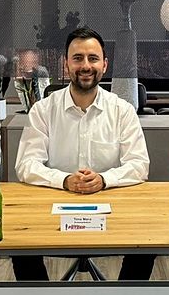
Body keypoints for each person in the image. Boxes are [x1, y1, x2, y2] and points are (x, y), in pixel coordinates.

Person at [13, 27, 155, 280]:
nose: (86, 65)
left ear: (105, 64)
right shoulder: (43, 110)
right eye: (77, 58)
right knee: (17, 240)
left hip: (111, 209)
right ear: (65, 64)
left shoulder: (122, 110)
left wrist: (104, 179)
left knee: (149, 239)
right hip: (54, 209)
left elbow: (139, 164)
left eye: (93, 58)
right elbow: (26, 164)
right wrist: (65, 180)